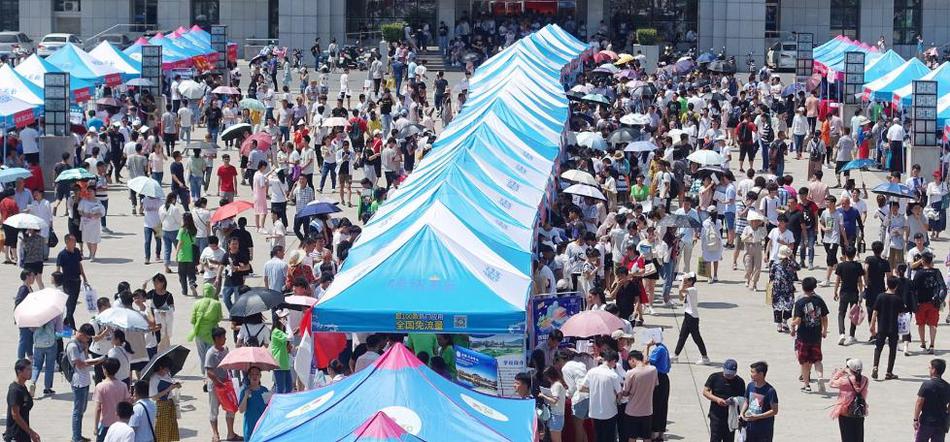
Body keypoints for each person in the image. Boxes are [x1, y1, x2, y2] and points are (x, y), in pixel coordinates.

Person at [791, 277, 829, 392]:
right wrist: (824, 330)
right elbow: (824, 318)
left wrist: (792, 325)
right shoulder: (819, 301)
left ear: (802, 287)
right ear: (814, 287)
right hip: (816, 335)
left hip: (803, 336)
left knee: (804, 362)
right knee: (817, 360)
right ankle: (820, 377)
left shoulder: (800, 302)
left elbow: (797, 320)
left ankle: (806, 385)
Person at [578, 349, 623, 442]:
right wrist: (618, 400)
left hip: (595, 412)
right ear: (613, 361)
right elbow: (619, 393)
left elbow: (581, 388)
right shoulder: (612, 375)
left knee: (598, 437)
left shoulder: (591, 372)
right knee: (609, 437)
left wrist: (594, 390)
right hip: (610, 412)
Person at [68, 323, 102, 442]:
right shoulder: (73, 346)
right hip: (78, 382)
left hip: (85, 380)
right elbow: (80, 364)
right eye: (87, 337)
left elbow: (85, 358)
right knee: (78, 411)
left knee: (82, 410)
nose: (88, 340)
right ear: (81, 334)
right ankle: (76, 437)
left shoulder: (81, 344)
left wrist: (86, 347)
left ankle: (78, 435)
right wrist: (97, 361)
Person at [206, 327, 239, 442]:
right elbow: (209, 371)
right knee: (214, 410)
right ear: (217, 338)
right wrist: (219, 382)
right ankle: (215, 434)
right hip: (215, 387)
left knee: (231, 408)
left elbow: (228, 364)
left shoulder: (225, 349)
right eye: (223, 337)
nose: (225, 339)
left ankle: (230, 433)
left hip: (226, 385)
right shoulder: (210, 353)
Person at [703, 358, 746, 442]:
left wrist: (734, 401)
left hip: (731, 417)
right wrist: (717, 399)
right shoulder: (714, 377)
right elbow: (705, 392)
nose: (729, 376)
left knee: (729, 439)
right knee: (715, 438)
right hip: (716, 416)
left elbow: (743, 399)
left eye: (731, 374)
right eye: (727, 374)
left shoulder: (740, 382)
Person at [871, 276, 904, 380]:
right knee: (892, 350)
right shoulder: (898, 299)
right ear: (896, 286)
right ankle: (889, 372)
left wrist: (872, 325)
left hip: (881, 327)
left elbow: (875, 312)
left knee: (878, 348)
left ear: (887, 284)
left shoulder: (880, 296)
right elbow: (901, 314)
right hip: (893, 328)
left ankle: (875, 366)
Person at [672, 272, 710, 364]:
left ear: (691, 281)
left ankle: (705, 357)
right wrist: (681, 286)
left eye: (687, 280)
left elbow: (681, 289)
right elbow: (681, 298)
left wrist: (682, 280)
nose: (685, 281)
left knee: (696, 337)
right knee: (682, 336)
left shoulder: (692, 289)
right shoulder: (688, 289)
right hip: (688, 315)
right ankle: (676, 355)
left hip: (692, 317)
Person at [913, 252, 946, 354]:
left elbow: (914, 289)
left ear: (922, 261)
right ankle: (932, 344)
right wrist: (940, 300)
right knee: (933, 324)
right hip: (933, 303)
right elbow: (943, 287)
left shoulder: (918, 273)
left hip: (921, 302)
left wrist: (914, 303)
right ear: (931, 261)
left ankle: (923, 343)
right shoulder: (936, 272)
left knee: (921, 324)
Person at [829, 359, 868, 442]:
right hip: (859, 411)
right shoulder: (865, 380)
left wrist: (840, 372)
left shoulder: (845, 380)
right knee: (858, 437)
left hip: (845, 411)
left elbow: (831, 384)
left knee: (847, 437)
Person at [621, 350, 657, 442]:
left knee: (632, 437)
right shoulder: (653, 370)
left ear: (632, 360)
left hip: (632, 411)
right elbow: (655, 385)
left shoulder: (630, 373)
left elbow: (625, 392)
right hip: (647, 410)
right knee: (647, 437)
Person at [94, 358, 132, 442]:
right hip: (120, 422)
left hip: (105, 424)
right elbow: (127, 403)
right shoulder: (123, 385)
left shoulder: (100, 386)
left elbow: (98, 409)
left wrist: (95, 427)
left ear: (104, 370)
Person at [834, 245, 865, 345]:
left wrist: (835, 291)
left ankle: (841, 333)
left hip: (844, 292)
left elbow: (838, 280)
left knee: (841, 313)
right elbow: (860, 281)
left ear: (845, 254)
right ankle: (851, 335)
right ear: (855, 254)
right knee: (854, 314)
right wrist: (861, 292)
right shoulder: (858, 266)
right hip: (854, 292)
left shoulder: (841, 265)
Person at [741, 361, 779, 442]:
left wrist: (757, 417)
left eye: (753, 372)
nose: (751, 374)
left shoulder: (770, 391)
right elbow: (747, 401)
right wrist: (742, 413)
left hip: (764, 429)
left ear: (761, 374)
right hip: (750, 427)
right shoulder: (750, 385)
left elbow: (774, 411)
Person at [915, 358, 950, 441]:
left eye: (930, 368)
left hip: (926, 422)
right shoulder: (947, 386)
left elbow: (919, 403)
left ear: (934, 370)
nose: (929, 370)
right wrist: (947, 415)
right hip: (941, 422)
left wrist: (915, 419)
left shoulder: (927, 385)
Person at [147, 357, 180, 441]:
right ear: (160, 367)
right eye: (166, 370)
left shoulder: (167, 375)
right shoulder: (154, 378)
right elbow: (154, 397)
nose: (167, 372)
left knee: (169, 429)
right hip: (160, 406)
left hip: (169, 404)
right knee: (161, 432)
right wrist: (169, 389)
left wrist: (176, 385)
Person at [5, 359, 38, 442]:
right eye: (28, 369)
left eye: (31, 369)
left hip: (23, 434)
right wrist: (31, 433)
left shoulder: (22, 387)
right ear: (19, 371)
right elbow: (15, 415)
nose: (31, 372)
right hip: (15, 435)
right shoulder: (15, 390)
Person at [769, 245, 799, 333]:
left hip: (788, 289)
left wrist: (792, 258)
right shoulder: (775, 264)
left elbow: (798, 267)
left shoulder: (791, 264)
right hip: (778, 289)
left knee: (788, 306)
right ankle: (779, 323)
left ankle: (785, 322)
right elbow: (771, 275)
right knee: (777, 307)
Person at [238, 367, 270, 440]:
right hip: (250, 428)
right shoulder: (244, 390)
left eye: (257, 374)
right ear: (248, 376)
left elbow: (269, 408)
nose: (254, 376)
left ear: (260, 376)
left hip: (262, 427)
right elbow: (241, 410)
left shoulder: (264, 390)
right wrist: (246, 396)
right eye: (252, 374)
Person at [537, 366, 567, 442]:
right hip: (556, 415)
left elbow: (554, 401)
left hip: (556, 416)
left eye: (547, 377)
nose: (547, 379)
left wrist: (543, 395)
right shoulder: (557, 384)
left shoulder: (557, 385)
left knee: (556, 440)